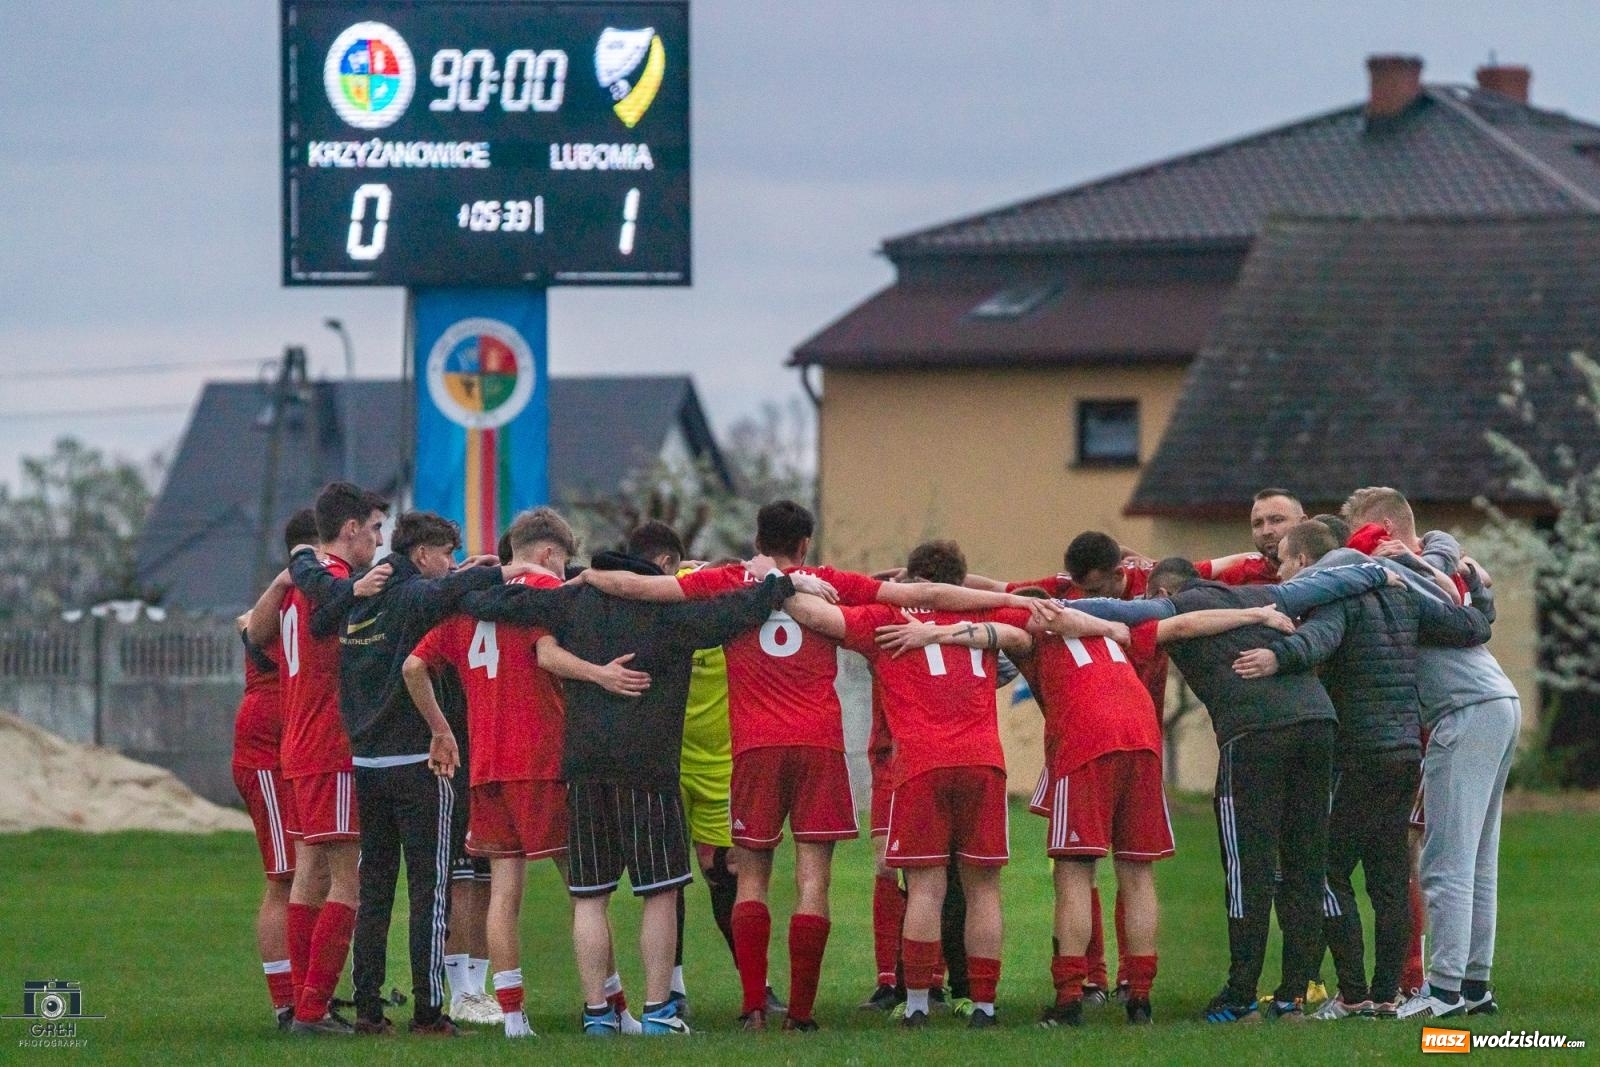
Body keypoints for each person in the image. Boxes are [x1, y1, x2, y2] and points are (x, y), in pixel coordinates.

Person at [580, 502, 1039, 1031]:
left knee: (750, 878)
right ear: (805, 544)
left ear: (758, 539)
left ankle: (755, 1005)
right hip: (820, 747)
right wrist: (1004, 597)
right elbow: (923, 594)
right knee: (813, 882)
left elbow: (641, 588)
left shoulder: (731, 581)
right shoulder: (829, 581)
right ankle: (801, 1013)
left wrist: (582, 576)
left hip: (754, 748)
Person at [459, 522, 821, 1036]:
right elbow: (734, 613)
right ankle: (657, 1012)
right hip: (647, 769)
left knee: (589, 897)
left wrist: (501, 569)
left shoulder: (567, 603)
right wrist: (781, 583)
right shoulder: (668, 613)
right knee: (659, 892)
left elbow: (489, 604)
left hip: (582, 768)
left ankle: (597, 1016)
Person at [878, 592, 1298, 1028]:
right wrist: (1256, 613)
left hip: (1086, 742)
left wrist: (932, 627)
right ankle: (1139, 998)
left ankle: (1069, 1000)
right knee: (1137, 872)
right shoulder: (1112, 632)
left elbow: (993, 632)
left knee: (1074, 870)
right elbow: (1184, 624)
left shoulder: (1032, 635)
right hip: (1143, 740)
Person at [782, 539, 1115, 1029]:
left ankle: (917, 1002)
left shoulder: (882, 620)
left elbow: (816, 617)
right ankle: (983, 1005)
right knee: (983, 890)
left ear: (910, 580)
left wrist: (781, 582)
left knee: (925, 889)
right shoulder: (989, 621)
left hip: (919, 765)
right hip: (983, 763)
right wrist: (1110, 628)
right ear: (959, 583)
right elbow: (1035, 630)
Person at [1230, 519, 1494, 1020]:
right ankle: (1386, 995)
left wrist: (1274, 657)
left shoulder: (1338, 599)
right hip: (1403, 755)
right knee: (1389, 877)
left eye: (1284, 560)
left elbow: (1319, 642)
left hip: (1361, 753)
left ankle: (1353, 995)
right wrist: (1479, 593)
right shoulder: (1405, 598)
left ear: (1308, 563)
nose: (1280, 569)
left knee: (1326, 870)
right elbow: (1471, 628)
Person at [404, 508, 646, 1038]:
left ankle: (513, 1016)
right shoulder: (536, 595)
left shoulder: (464, 605)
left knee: (504, 892)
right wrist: (601, 675)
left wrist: (441, 729)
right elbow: (547, 655)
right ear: (547, 555)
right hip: (539, 761)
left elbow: (413, 666)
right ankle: (614, 1009)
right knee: (587, 890)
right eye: (559, 565)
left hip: (485, 766)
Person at [293, 510, 510, 1037]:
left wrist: (463, 570)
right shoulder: (413, 595)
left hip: (366, 764)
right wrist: (505, 567)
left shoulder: (361, 597)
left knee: (376, 890)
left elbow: (320, 614)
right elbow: (451, 593)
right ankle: (429, 1012)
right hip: (419, 764)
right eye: (446, 554)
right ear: (421, 555)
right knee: (430, 890)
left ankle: (368, 1008)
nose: (451, 564)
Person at [1341, 488, 1520, 1020]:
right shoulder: (1442, 561)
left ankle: (1442, 993)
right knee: (1478, 859)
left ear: (1386, 535)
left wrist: (1404, 566)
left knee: (1444, 860)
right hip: (1496, 701)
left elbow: (1442, 604)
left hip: (1464, 709)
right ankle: (1473, 986)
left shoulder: (1408, 572)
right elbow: (1467, 596)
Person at [1150, 555, 1338, 1023]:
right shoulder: (1260, 594)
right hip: (1319, 723)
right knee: (1305, 863)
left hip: (1255, 733)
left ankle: (1240, 996)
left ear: (1161, 594)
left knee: (1247, 869)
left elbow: (1129, 626)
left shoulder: (1171, 611)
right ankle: (1294, 996)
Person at [246, 482, 390, 1036]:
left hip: (299, 745)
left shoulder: (298, 588)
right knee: (345, 884)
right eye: (375, 528)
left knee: (308, 876)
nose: (379, 540)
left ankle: (304, 1007)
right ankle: (312, 1009)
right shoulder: (332, 584)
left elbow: (258, 640)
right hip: (331, 746)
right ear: (350, 530)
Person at [232, 508, 319, 1029]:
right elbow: (252, 631)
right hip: (267, 752)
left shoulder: (314, 591)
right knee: (284, 877)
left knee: (316, 874)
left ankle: (312, 994)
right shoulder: (285, 589)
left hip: (300, 751)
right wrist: (288, 574)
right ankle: (286, 1000)